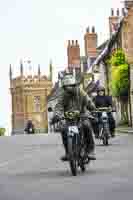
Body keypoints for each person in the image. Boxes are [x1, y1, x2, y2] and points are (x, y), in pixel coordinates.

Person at [52, 73, 96, 161]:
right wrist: (57, 114)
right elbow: (59, 106)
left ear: (74, 85)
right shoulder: (63, 95)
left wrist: (92, 109)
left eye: (70, 86)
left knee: (86, 126)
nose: (69, 88)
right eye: (66, 86)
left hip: (81, 116)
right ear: (64, 87)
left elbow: (88, 101)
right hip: (69, 118)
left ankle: (90, 150)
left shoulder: (81, 92)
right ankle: (68, 152)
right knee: (64, 129)